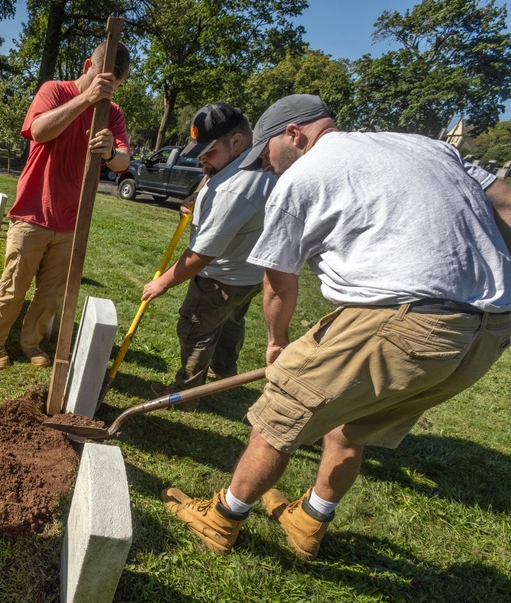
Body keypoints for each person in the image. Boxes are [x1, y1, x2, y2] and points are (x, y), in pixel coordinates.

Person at [160, 94, 511, 560]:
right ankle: (310, 520)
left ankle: (222, 518)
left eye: (266, 155)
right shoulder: (424, 146)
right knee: (351, 426)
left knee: (279, 413)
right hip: (487, 329)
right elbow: (505, 201)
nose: (267, 167)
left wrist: (278, 343)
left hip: (401, 318)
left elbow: (279, 283)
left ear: (294, 133)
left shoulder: (301, 176)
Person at [0, 40, 132, 369]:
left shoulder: (113, 114)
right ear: (86, 67)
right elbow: (39, 130)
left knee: (50, 294)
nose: (107, 87)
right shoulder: (54, 90)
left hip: (71, 222)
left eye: (115, 82)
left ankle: (31, 342)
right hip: (32, 213)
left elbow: (123, 162)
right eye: (102, 77)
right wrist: (86, 100)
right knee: (14, 286)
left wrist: (110, 152)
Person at [142, 103, 276, 409]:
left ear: (236, 141)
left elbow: (201, 255)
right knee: (229, 322)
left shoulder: (237, 190)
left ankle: (185, 395)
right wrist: (198, 195)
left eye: (209, 151)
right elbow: (215, 175)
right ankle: (223, 372)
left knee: (195, 326)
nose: (202, 158)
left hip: (221, 277)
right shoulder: (256, 160)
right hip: (250, 274)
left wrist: (161, 283)